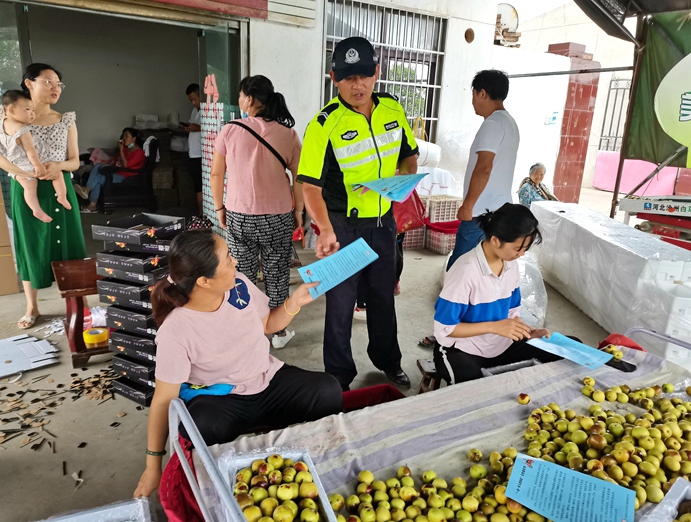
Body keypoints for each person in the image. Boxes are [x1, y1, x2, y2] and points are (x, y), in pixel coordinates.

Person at [133, 230, 343, 497]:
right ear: (204, 281)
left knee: (327, 389)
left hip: (267, 381)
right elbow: (164, 400)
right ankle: (225, 487)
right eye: (228, 258)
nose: (236, 263)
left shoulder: (239, 285)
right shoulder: (176, 330)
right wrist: (153, 465)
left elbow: (268, 323)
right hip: (224, 399)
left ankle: (311, 466)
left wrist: (294, 302)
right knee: (199, 425)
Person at [297, 36, 418, 391]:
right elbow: (310, 188)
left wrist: (403, 178)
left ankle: (389, 362)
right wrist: (325, 229)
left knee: (383, 298)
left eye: (364, 75)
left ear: (376, 73)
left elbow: (409, 155)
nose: (358, 85)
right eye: (348, 77)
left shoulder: (393, 110)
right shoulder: (323, 124)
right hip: (342, 227)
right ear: (334, 78)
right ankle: (338, 376)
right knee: (340, 304)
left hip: (383, 223)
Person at [419, 70, 519, 348]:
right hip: (499, 210)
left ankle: (445, 333)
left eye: (474, 94)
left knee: (460, 271)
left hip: (480, 214)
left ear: (483, 93)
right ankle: (472, 328)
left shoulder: (492, 125)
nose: (473, 101)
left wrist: (468, 205)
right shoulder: (509, 123)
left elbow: (484, 167)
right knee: (485, 270)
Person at [210, 75, 304, 349]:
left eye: (240, 96)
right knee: (277, 275)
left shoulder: (229, 130)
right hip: (277, 218)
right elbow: (299, 177)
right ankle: (279, 333)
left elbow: (217, 173)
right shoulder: (288, 134)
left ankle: (245, 331)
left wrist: (219, 208)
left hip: (239, 215)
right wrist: (299, 211)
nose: (239, 101)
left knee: (242, 276)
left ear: (249, 99)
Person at [0, 63, 86, 329]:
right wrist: (18, 169)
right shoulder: (10, 119)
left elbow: (76, 161)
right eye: (48, 81)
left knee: (70, 245)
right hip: (27, 189)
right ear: (29, 83)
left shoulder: (65, 119)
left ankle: (77, 304)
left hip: (60, 187)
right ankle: (32, 306)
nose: (56, 88)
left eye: (58, 83)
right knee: (30, 244)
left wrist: (58, 166)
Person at [433, 203, 562, 384]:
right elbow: (444, 329)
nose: (522, 254)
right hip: (462, 350)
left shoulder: (511, 265)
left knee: (565, 347)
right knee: (473, 384)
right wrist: (494, 327)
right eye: (518, 248)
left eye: (525, 249)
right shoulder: (466, 270)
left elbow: (511, 315)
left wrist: (528, 332)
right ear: (495, 240)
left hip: (501, 344)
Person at [0, 90, 71, 223]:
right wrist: (38, 166)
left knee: (29, 188)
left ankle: (36, 210)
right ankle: (62, 197)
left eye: (33, 110)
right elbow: (30, 150)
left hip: (15, 165)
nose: (32, 113)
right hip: (30, 164)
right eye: (28, 109)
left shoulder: (1, 124)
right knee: (57, 174)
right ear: (11, 110)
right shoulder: (23, 129)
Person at [73, 127, 146, 212]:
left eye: (127, 136)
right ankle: (87, 190)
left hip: (125, 176)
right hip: (115, 172)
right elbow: (114, 162)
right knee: (98, 166)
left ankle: (91, 203)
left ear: (134, 139)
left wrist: (121, 149)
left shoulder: (139, 153)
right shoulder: (125, 149)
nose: (124, 138)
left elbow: (126, 166)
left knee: (99, 179)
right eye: (123, 136)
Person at [184, 83, 203, 214]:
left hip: (202, 154)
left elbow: (211, 129)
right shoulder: (195, 110)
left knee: (201, 187)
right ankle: (200, 213)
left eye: (194, 99)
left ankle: (203, 215)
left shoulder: (208, 111)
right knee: (197, 185)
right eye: (191, 100)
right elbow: (194, 125)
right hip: (193, 154)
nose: (193, 103)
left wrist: (198, 128)